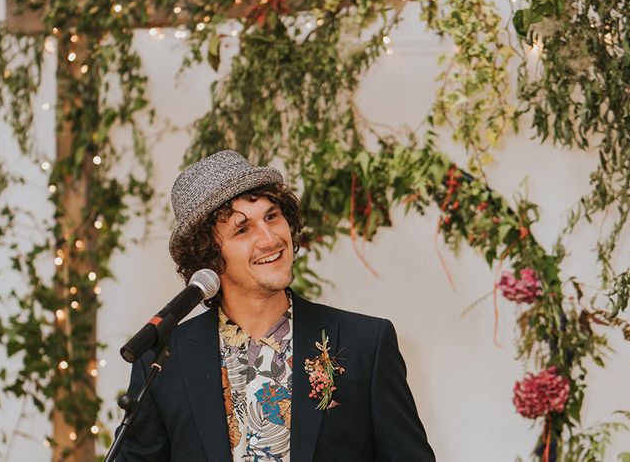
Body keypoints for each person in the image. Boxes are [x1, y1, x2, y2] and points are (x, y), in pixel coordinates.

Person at [117, 150, 435, 461]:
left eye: (272, 216)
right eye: (243, 230)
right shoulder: (161, 362)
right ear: (209, 257)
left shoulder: (365, 344)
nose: (270, 238)